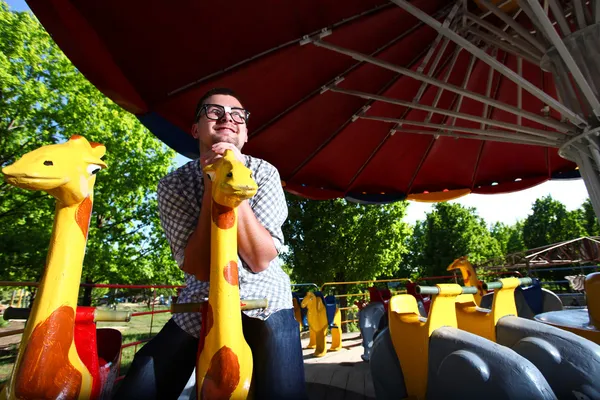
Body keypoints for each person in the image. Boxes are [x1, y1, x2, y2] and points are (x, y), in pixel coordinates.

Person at [113, 88, 307, 400]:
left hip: (266, 297)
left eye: (237, 115)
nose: (227, 118)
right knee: (141, 382)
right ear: (195, 128)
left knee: (284, 389)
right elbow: (199, 267)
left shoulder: (265, 173)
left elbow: (259, 260)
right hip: (202, 299)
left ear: (244, 132)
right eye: (214, 111)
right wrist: (210, 185)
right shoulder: (173, 185)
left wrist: (231, 179)